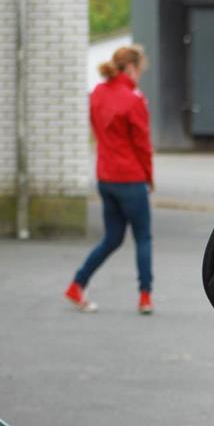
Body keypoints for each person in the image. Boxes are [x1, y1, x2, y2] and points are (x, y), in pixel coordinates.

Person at [64, 44, 155, 315]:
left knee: (112, 238)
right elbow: (142, 145)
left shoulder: (97, 94)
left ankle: (77, 284)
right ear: (130, 68)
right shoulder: (134, 99)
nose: (139, 75)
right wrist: (149, 178)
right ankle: (145, 296)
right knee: (143, 238)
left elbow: (97, 131)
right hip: (131, 178)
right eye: (139, 70)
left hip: (106, 177)